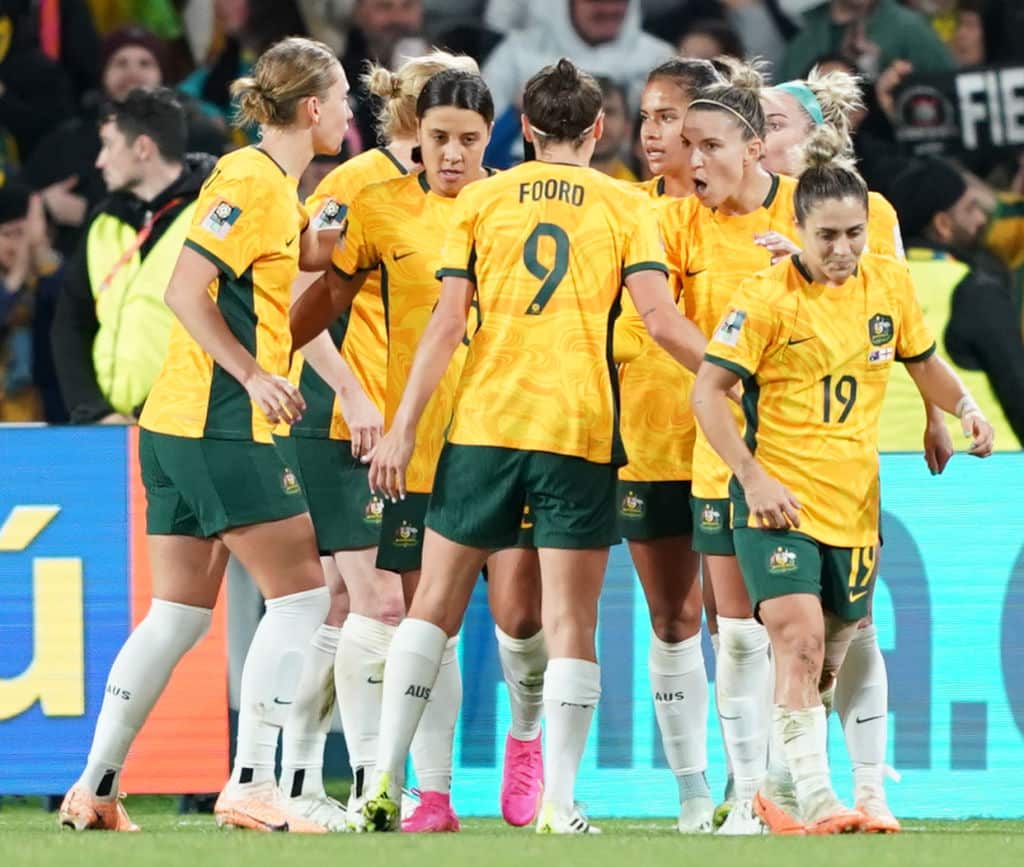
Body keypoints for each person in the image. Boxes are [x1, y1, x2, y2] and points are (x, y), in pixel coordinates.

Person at [356, 57, 707, 835]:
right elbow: (659, 319)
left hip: (483, 426)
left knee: (431, 606)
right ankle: (559, 801)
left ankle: (382, 782)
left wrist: (406, 425)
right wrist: (733, 371)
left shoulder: (481, 200)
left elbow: (447, 323)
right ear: (598, 129)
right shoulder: (625, 206)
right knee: (570, 620)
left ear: (524, 125)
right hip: (577, 432)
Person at [58, 36, 352, 834]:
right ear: (313, 107)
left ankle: (96, 786)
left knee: (179, 616)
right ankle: (252, 781)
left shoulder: (272, 189)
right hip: (221, 423)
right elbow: (186, 291)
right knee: (303, 595)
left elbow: (281, 283)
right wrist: (253, 375)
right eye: (342, 99)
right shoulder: (251, 181)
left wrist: (332, 246)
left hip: (174, 424)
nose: (349, 113)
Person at [691, 124, 994, 834]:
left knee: (828, 660)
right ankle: (822, 799)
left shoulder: (888, 284)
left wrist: (964, 409)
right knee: (795, 640)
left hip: (854, 502)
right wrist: (752, 478)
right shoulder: (764, 298)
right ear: (797, 230)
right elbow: (707, 393)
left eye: (853, 234)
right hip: (777, 503)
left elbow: (924, 362)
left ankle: (780, 789)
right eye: (825, 235)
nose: (841, 249)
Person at [292, 68, 551, 832]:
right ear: (417, 132)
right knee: (422, 623)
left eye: (468, 139)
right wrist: (265, 356)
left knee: (519, 618)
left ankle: (527, 734)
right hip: (420, 449)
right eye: (438, 137)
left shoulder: (520, 206)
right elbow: (317, 302)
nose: (452, 153)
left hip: (511, 438)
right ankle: (427, 793)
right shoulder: (376, 205)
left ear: (492, 137)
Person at [275, 50, 480, 833]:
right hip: (350, 423)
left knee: (355, 604)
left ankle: (291, 771)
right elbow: (302, 297)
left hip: (425, 428)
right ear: (420, 112)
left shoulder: (474, 195)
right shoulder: (354, 186)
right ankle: (366, 782)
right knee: (383, 602)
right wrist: (354, 393)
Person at [757, 65, 947, 834]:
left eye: (772, 123)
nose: (757, 136)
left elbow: (898, 321)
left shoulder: (868, 211)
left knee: (847, 628)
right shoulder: (738, 200)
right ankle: (772, 785)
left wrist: (938, 411)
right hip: (763, 449)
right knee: (772, 632)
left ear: (815, 137)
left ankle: (862, 789)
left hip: (849, 447)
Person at [662, 63, 801, 835]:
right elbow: (662, 323)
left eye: (710, 145)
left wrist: (805, 272)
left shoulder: (807, 216)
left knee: (814, 635)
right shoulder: (678, 226)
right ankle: (748, 794)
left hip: (806, 453)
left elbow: (867, 305)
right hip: (721, 453)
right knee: (740, 633)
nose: (694, 160)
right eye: (688, 144)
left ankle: (801, 783)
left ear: (754, 148)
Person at [616, 55, 722, 835]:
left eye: (668, 116)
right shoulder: (625, 214)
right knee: (673, 618)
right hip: (650, 442)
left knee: (744, 622)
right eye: (646, 116)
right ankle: (693, 793)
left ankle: (762, 782)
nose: (651, 133)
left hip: (739, 448)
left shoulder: (752, 216)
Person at [50, 87, 216, 425]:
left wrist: (157, 410)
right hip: (105, 430)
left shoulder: (213, 217)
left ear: (142, 148)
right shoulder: (103, 221)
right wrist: (94, 410)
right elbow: (71, 323)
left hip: (185, 427)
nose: (99, 161)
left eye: (108, 145)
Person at [882, 157, 1024, 448]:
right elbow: (1017, 387)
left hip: (881, 461)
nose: (981, 219)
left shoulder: (869, 285)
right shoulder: (972, 290)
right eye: (970, 209)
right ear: (943, 225)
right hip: (980, 462)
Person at [0, 182, 64, 421]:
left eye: (25, 233)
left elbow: (72, 315)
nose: (20, 244)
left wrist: (43, 258)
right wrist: (16, 278)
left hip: (50, 413)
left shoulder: (53, 277)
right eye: (9, 234)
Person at [778, 0, 954, 83]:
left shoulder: (908, 28)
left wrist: (881, 72)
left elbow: (951, 85)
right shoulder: (807, 36)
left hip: (887, 142)